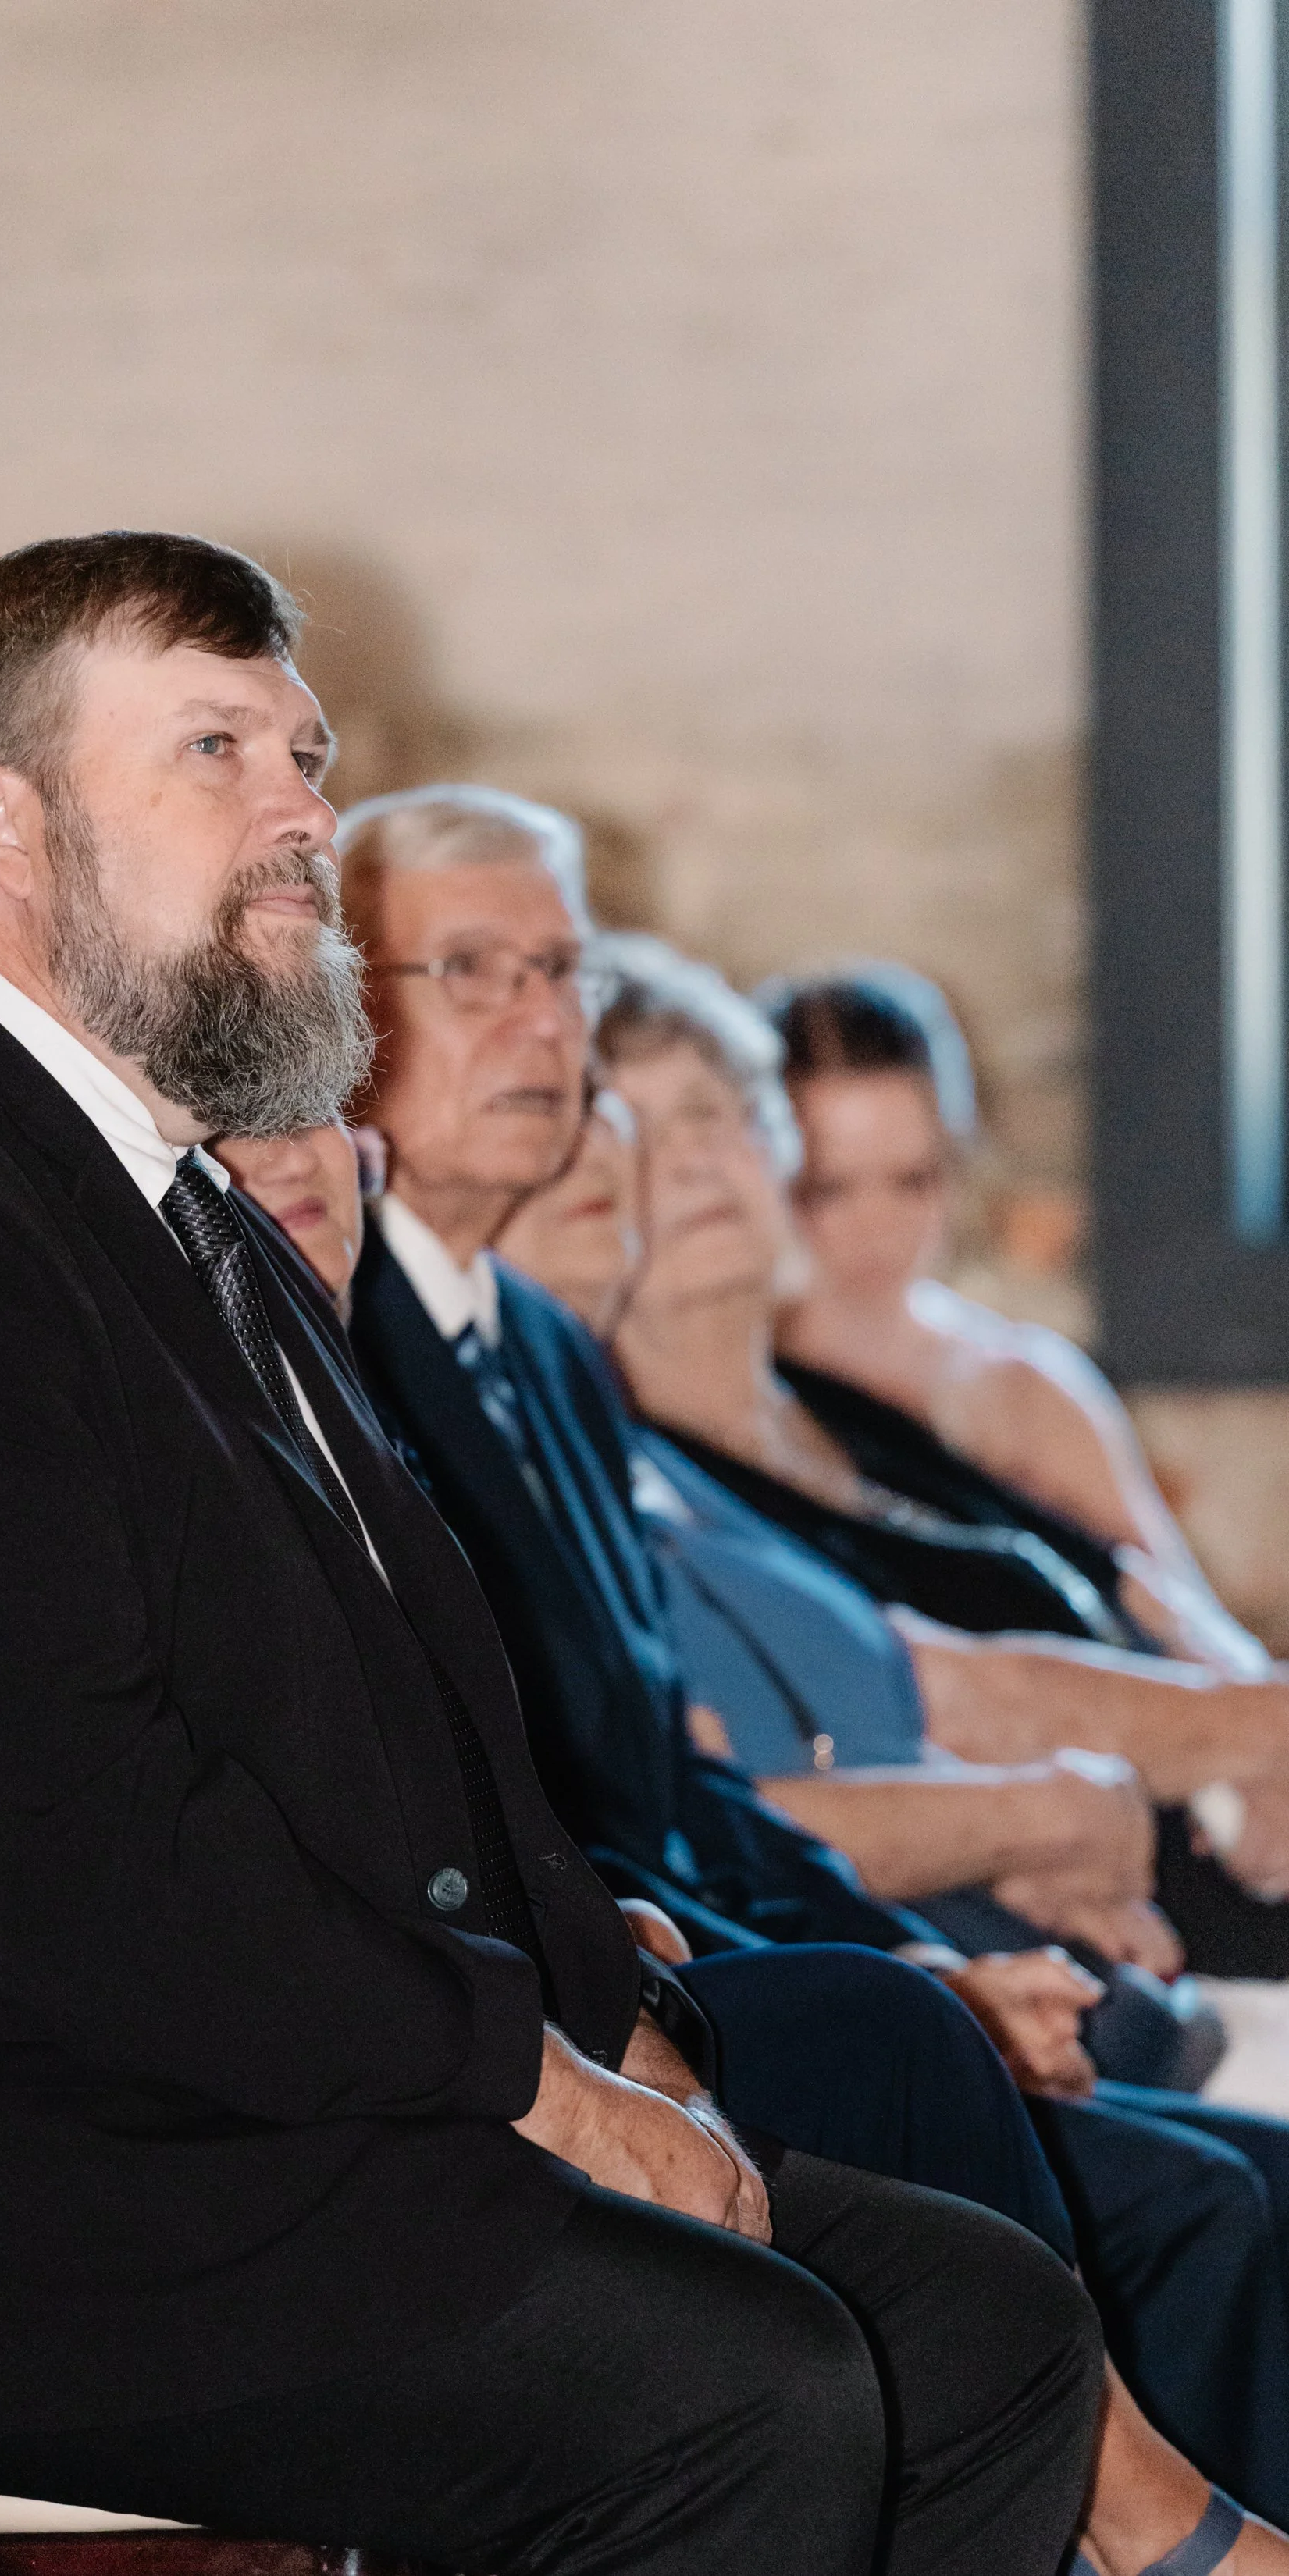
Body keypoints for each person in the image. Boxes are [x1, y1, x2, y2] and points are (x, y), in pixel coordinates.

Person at [0, 535, 1106, 2576]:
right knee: (751, 2387)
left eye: (301, 754)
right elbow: (73, 1850)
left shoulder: (148, 1183)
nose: (302, 813)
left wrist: (610, 2030)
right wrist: (538, 2089)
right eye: (212, 751)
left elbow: (415, 1707)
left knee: (978, 2328)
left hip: (236, 2116)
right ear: (1, 821)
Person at [309, 777, 1289, 2536]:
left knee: (1118, 2117)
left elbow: (673, 1789)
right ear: (343, 1011)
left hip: (664, 1942)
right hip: (542, 2008)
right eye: (470, 972)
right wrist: (914, 1959)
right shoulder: (351, 1344)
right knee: (1085, 2139)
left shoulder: (534, 1349)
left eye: (560, 972)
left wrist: (920, 1948)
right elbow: (506, 1805)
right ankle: (1148, 2529)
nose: (540, 1026)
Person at [590, 933, 1289, 1973]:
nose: (874, 1232)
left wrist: (1252, 1743)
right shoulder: (662, 1464)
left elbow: (1166, 1607)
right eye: (833, 1190)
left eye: (714, 1118)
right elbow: (923, 1698)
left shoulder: (918, 1401)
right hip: (1097, 1911)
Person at [762, 966, 1264, 1678]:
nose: (877, 1227)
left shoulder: (1026, 1389)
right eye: (829, 1190)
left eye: (913, 1181)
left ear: (958, 1156)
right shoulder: (725, 1391)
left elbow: (1195, 1642)